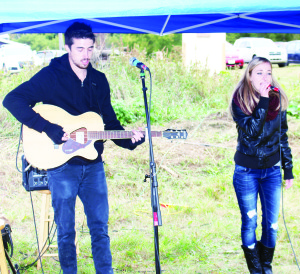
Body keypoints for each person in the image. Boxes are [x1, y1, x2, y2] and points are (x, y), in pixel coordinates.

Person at [3, 22, 145, 273]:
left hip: (93, 167)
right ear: (67, 47)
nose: (86, 55)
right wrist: (50, 129)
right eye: (79, 49)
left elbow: (109, 124)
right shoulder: (51, 76)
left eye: (90, 49)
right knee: (66, 232)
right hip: (61, 164)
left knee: (100, 228)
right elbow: (12, 100)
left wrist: (131, 140)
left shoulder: (99, 81)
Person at [230, 57, 294, 274]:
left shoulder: (277, 99)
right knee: (250, 222)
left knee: (272, 225)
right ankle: (256, 270)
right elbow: (253, 130)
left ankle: (265, 266)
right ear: (248, 75)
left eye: (268, 72)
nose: (265, 77)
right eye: (259, 73)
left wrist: (288, 169)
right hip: (246, 172)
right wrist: (264, 100)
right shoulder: (239, 100)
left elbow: (282, 136)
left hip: (272, 171)